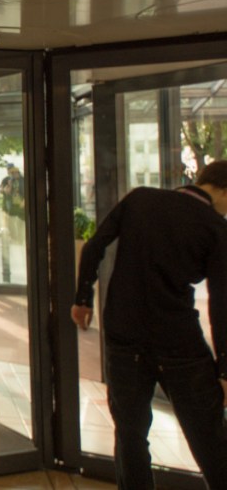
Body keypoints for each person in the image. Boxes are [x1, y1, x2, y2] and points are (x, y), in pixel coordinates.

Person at [71, 160, 227, 489]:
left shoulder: (140, 199)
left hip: (125, 340)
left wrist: (82, 299)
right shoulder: (215, 227)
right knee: (210, 438)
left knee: (130, 437)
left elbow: (94, 247)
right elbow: (221, 303)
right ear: (223, 191)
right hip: (179, 344)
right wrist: (225, 369)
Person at [0, 164, 24, 243]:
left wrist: (24, 201)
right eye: (10, 171)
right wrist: (8, 185)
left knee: (20, 222)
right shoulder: (7, 180)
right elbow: (4, 190)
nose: (12, 174)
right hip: (10, 204)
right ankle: (14, 238)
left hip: (20, 204)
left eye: (14, 172)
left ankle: (20, 239)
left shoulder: (22, 180)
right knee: (10, 222)